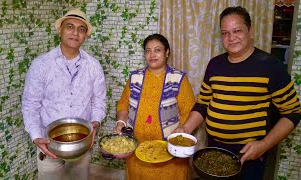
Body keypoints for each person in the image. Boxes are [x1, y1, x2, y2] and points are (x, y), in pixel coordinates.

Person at [173, 6, 301, 180]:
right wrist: (185, 129)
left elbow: (292, 113)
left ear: (250, 31)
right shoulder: (215, 64)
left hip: (249, 153)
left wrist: (263, 145)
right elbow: (203, 103)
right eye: (225, 33)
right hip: (214, 148)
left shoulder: (271, 66)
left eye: (237, 31)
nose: (231, 38)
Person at [21, 8, 106, 180]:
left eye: (81, 29)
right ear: (60, 30)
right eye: (70, 27)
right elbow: (30, 104)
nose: (75, 33)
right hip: (49, 143)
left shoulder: (93, 66)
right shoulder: (41, 65)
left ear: (85, 36)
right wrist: (36, 137)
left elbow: (99, 101)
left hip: (82, 143)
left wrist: (95, 123)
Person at [114, 33, 195, 180]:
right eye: (148, 50)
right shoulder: (134, 77)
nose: (152, 55)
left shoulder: (178, 79)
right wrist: (120, 122)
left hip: (169, 151)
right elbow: (123, 104)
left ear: (167, 52)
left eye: (157, 50)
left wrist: (179, 137)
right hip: (137, 149)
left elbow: (189, 112)